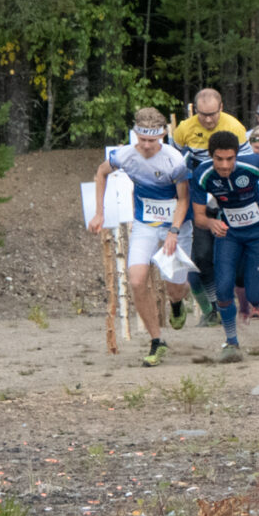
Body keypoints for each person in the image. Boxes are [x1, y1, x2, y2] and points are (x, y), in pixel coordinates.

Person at [90, 109, 193, 367]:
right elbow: (101, 173)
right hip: (145, 223)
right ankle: (157, 341)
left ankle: (177, 301)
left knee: (174, 286)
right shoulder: (125, 154)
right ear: (136, 134)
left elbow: (183, 199)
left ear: (162, 136)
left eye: (153, 140)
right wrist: (99, 212)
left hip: (176, 222)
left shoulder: (174, 159)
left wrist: (174, 232)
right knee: (136, 281)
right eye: (142, 140)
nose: (147, 146)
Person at [190, 130, 259, 362]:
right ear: (211, 157)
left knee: (255, 296)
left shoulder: (252, 163)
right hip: (229, 234)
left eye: (230, 159)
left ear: (236, 156)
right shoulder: (202, 175)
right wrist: (211, 222)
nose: (224, 165)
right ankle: (231, 341)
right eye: (219, 159)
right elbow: (198, 217)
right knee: (223, 290)